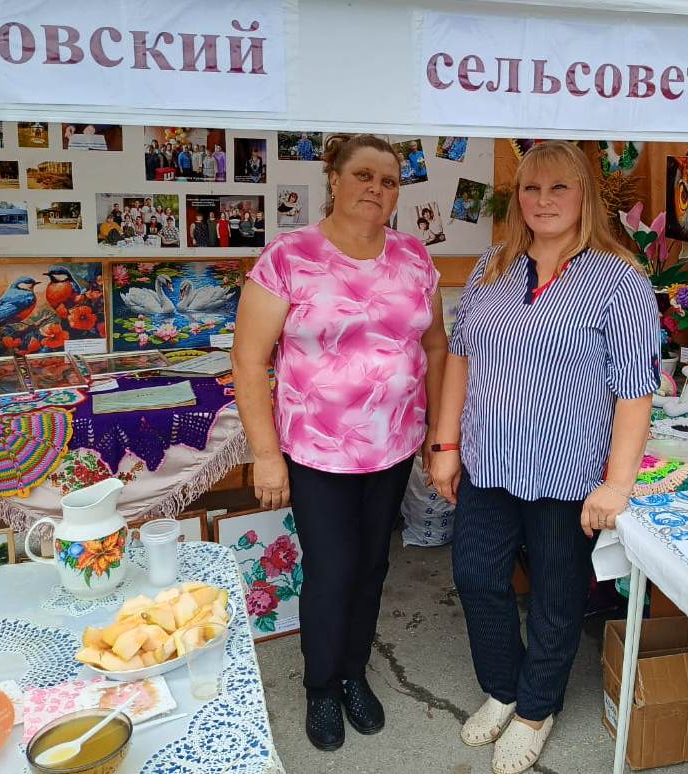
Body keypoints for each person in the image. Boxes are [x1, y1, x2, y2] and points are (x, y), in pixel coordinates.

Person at [428, 141, 658, 774]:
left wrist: (616, 485)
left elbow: (635, 391)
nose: (544, 201)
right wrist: (445, 445)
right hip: (487, 462)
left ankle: (535, 708)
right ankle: (503, 688)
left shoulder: (620, 280)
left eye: (559, 188)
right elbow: (460, 358)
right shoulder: (493, 265)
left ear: (584, 196)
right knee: (478, 577)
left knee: (557, 593)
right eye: (531, 188)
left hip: (567, 470)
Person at [233, 133, 448, 753]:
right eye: (363, 175)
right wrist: (266, 455)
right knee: (331, 570)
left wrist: (438, 435)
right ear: (334, 179)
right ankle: (321, 686)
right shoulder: (289, 257)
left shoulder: (413, 257)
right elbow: (249, 360)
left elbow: (434, 346)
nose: (376, 189)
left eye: (388, 181)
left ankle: (354, 672)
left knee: (374, 564)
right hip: (318, 451)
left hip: (394, 445)